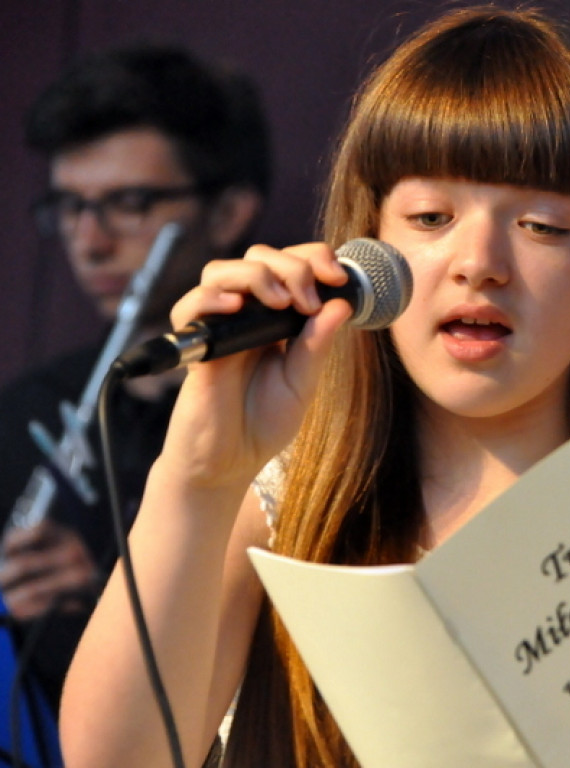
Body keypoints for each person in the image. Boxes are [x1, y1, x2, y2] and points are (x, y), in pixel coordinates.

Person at [59, 7, 570, 768]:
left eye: (542, 225)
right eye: (431, 216)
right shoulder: (290, 503)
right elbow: (113, 760)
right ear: (370, 245)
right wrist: (202, 477)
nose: (478, 261)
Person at [0, 43, 270, 726]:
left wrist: (102, 596)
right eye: (70, 206)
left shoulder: (284, 406)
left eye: (128, 202)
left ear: (230, 210)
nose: (89, 241)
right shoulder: (28, 411)